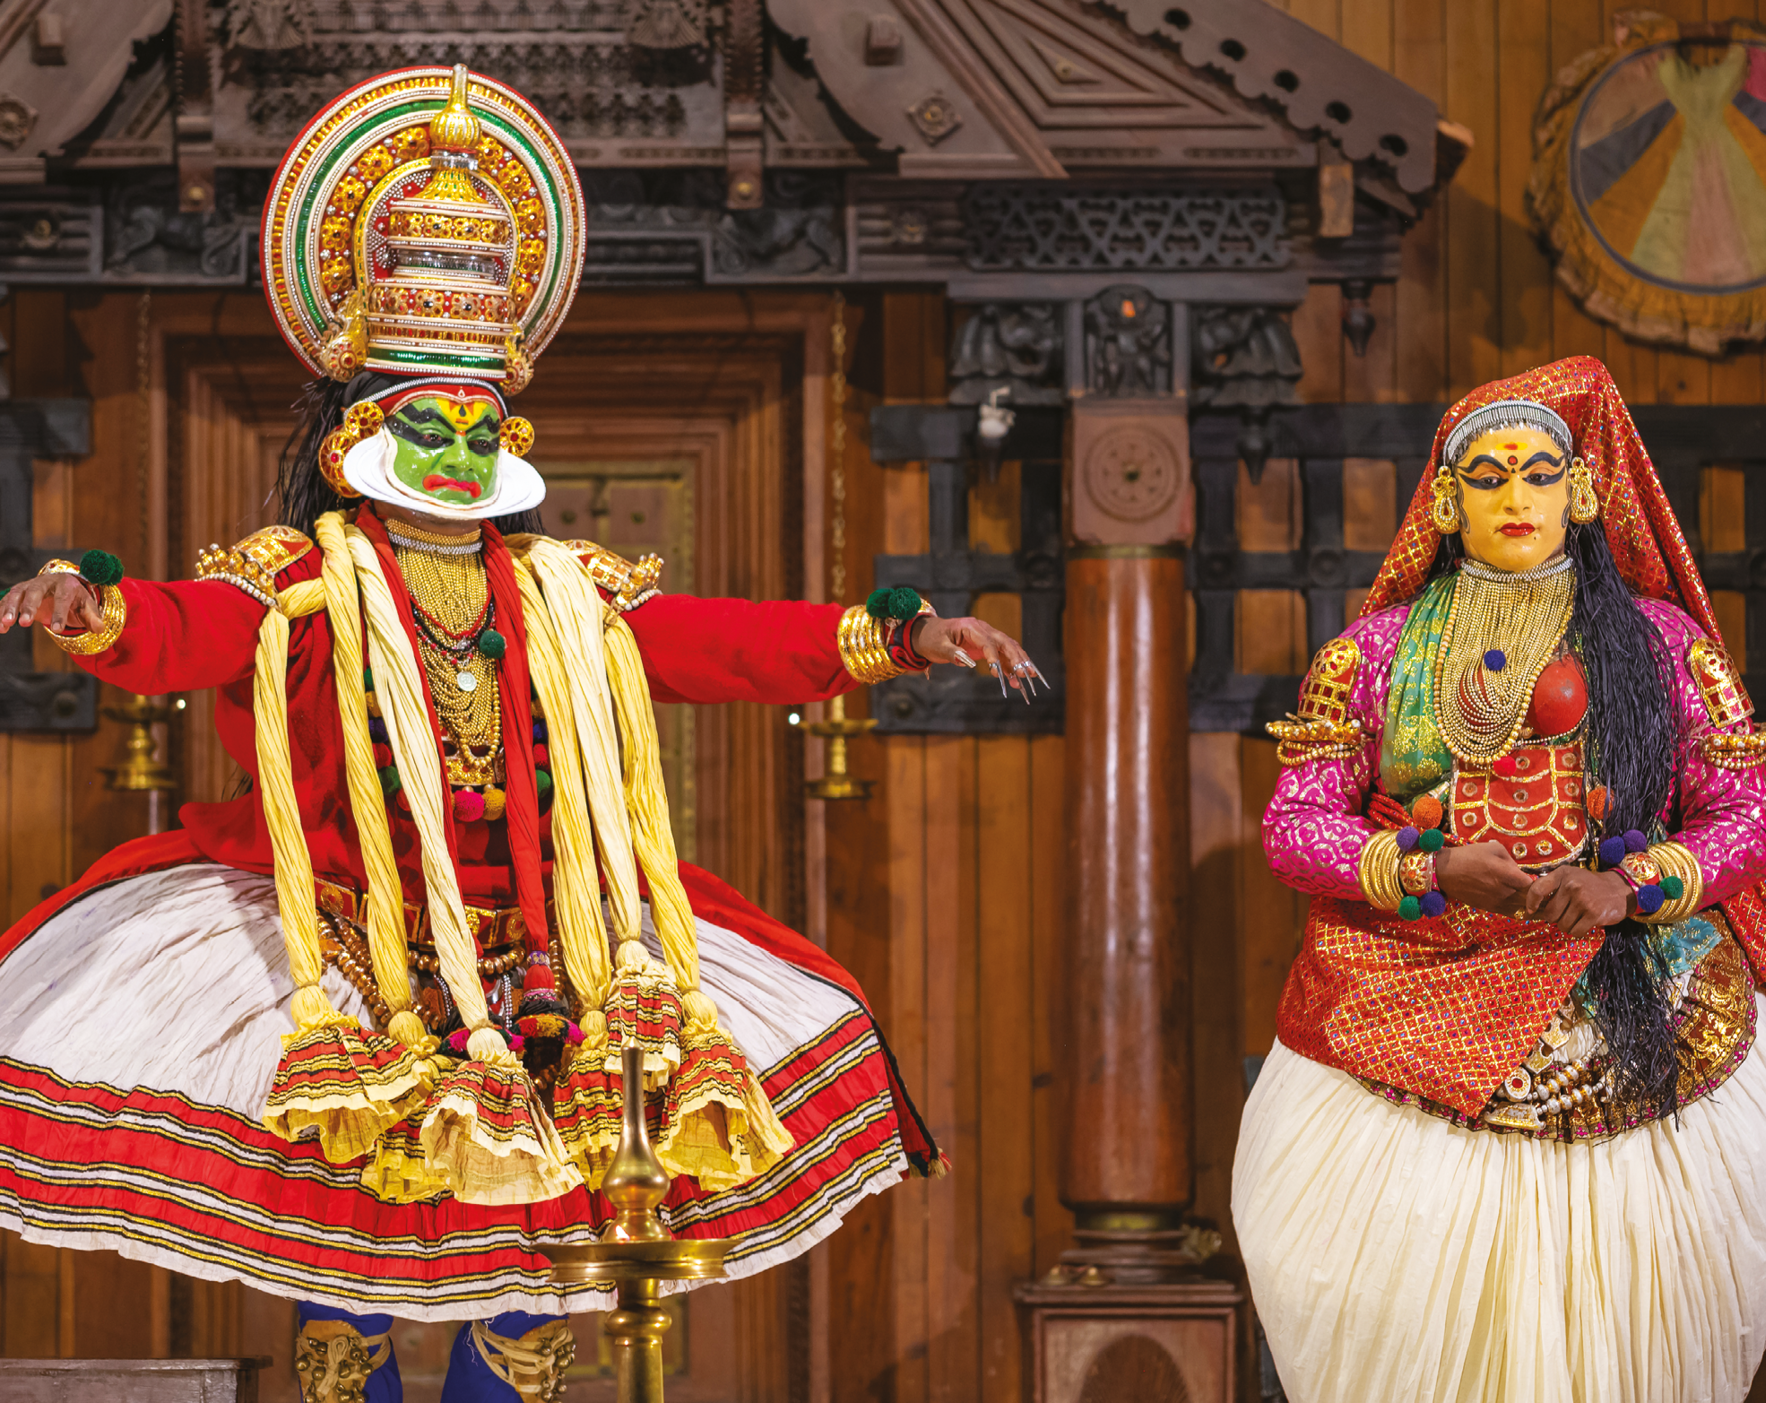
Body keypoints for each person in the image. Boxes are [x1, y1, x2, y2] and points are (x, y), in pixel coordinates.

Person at [0, 66, 1038, 1402]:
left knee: (530, 1287)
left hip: (544, 962)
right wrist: (94, 610)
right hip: (346, 960)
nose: (453, 448)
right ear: (355, 429)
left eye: (479, 423)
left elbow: (714, 638)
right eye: (424, 420)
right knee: (349, 1284)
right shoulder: (302, 576)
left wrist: (895, 636)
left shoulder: (561, 590)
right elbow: (188, 628)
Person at [1237, 356, 1766, 1402]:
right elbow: (1294, 824)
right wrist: (1431, 864)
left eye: (1540, 473)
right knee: (1376, 1295)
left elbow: (1748, 819)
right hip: (1409, 999)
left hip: (1639, 994)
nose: (1515, 498)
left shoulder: (1666, 647)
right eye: (1488, 476)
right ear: (1447, 501)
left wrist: (1626, 889)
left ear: (1582, 491)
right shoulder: (1370, 653)